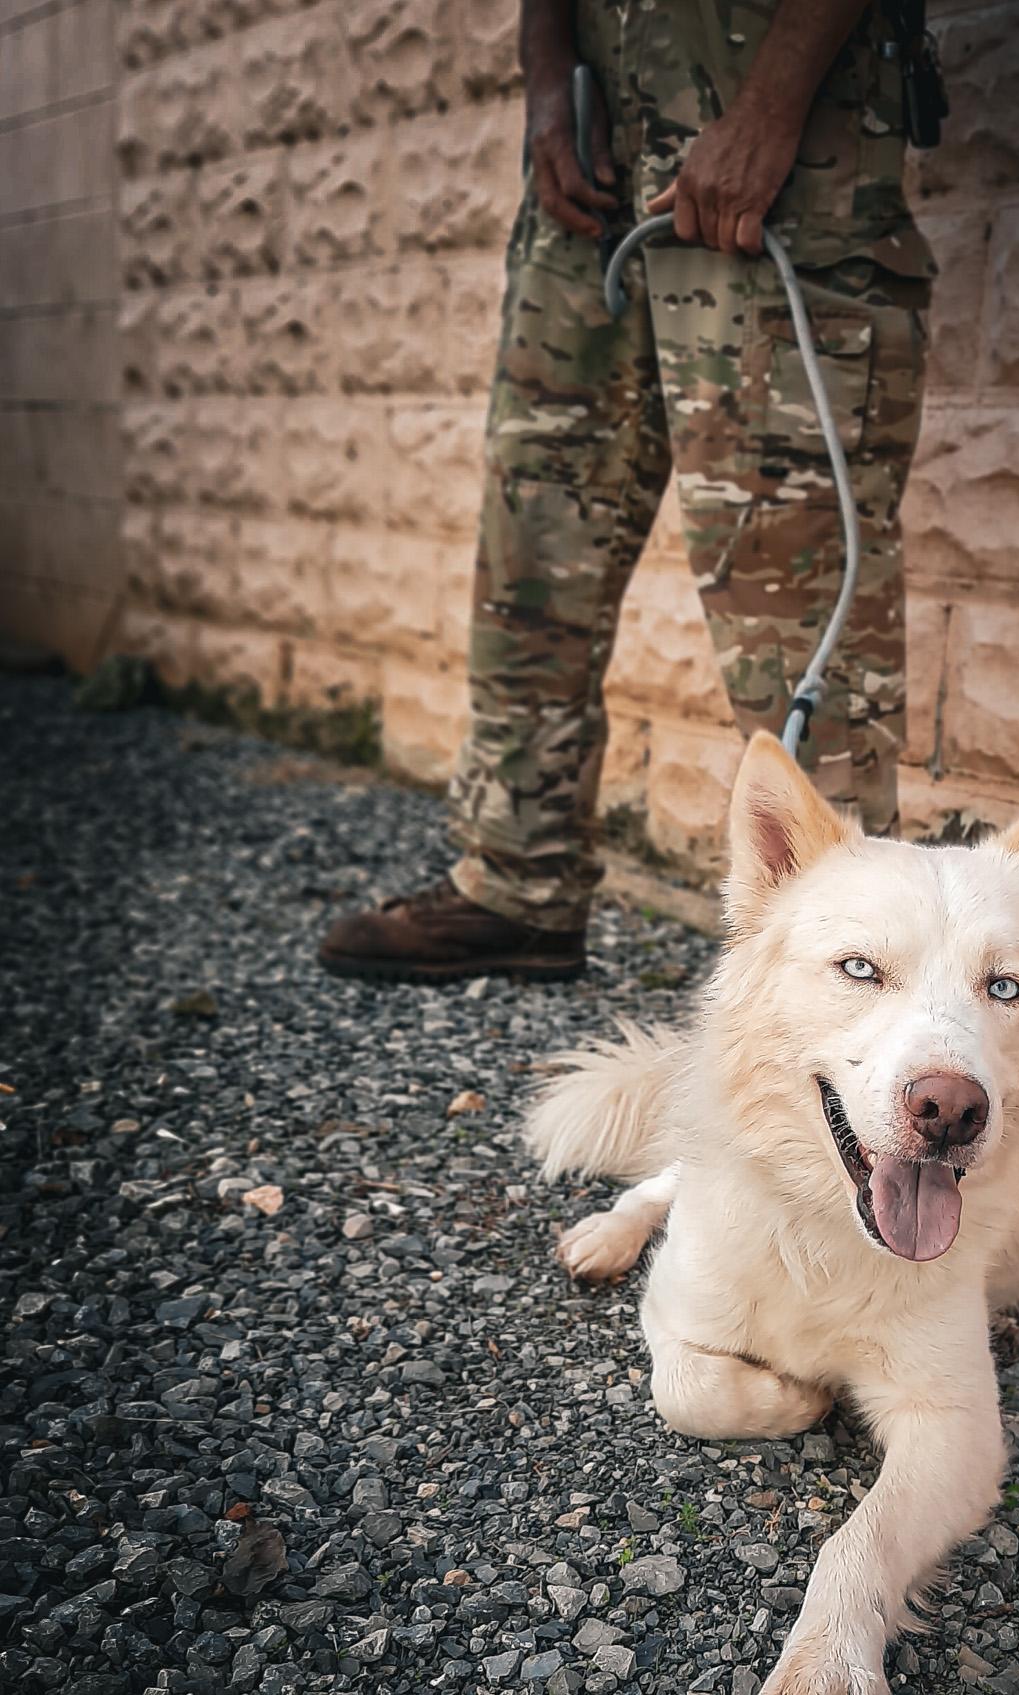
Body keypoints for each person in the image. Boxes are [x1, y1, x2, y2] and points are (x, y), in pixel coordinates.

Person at [319, 0, 935, 983]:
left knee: (790, 561)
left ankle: (852, 952)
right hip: (590, 169)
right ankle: (517, 883)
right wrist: (546, 92)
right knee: (535, 538)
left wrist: (772, 104)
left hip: (785, 158)